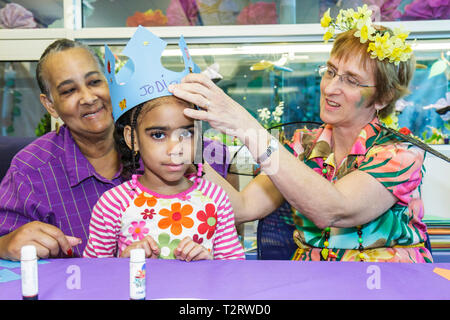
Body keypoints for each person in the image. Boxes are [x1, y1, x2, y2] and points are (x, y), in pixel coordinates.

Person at [169, 6, 433, 263]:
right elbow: (242, 207)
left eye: (351, 80)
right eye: (330, 72)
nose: (330, 88)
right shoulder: (302, 148)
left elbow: (333, 210)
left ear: (383, 97)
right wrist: (190, 150)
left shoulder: (400, 155)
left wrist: (245, 125)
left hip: (386, 285)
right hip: (313, 282)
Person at [0, 39, 234, 261]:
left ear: (110, 83)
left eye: (94, 82)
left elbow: (225, 160)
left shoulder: (172, 145)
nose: (88, 98)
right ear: (50, 104)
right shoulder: (30, 169)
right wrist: (5, 244)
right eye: (69, 91)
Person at [83, 27, 244, 260]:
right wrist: (121, 263)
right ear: (133, 139)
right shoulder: (112, 205)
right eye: (158, 135)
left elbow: (235, 271)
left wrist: (210, 263)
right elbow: (93, 277)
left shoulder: (215, 198)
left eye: (186, 134)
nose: (175, 149)